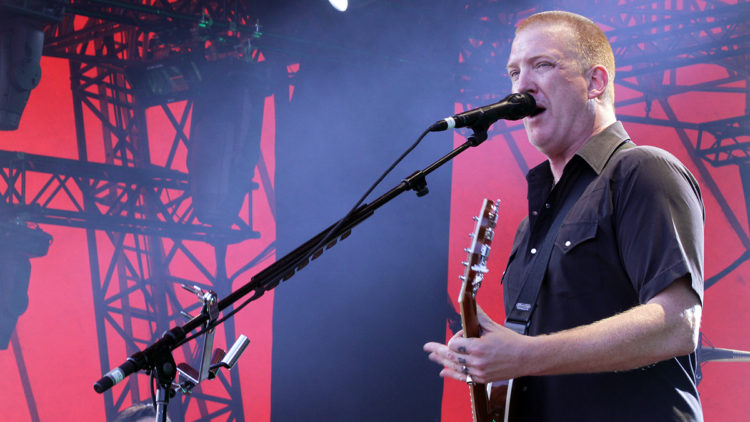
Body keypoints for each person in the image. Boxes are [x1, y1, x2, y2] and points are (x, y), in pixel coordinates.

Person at [423, 10, 704, 422]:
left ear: (595, 82)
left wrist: (525, 353)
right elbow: (544, 358)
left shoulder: (642, 170)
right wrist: (497, 352)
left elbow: (678, 323)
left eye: (543, 65)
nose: (522, 85)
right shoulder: (530, 225)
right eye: (514, 71)